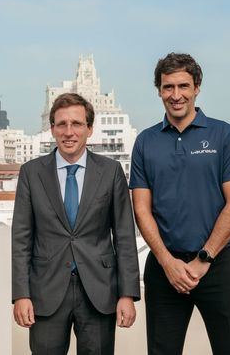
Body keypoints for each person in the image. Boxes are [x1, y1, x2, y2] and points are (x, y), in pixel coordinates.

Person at [130, 53, 230, 354]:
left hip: (217, 265)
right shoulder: (145, 142)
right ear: (158, 90)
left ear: (197, 87)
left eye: (183, 86)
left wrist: (203, 260)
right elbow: (141, 209)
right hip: (163, 269)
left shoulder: (224, 135)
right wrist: (168, 262)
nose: (176, 95)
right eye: (168, 87)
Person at [12, 93, 140, 355]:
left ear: (89, 129)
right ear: (52, 129)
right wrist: (21, 295)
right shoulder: (31, 172)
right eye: (62, 124)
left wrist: (127, 294)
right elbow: (21, 239)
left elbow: (125, 236)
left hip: (100, 292)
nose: (69, 132)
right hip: (45, 293)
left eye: (77, 124)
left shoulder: (111, 170)